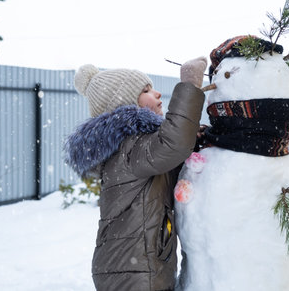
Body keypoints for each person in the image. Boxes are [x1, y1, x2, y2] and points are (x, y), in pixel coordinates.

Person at [64, 57, 207, 291]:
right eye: (146, 90)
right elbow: (174, 145)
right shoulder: (130, 148)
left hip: (130, 268)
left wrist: (194, 137)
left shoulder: (135, 148)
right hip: (132, 273)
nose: (158, 93)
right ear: (126, 104)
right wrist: (189, 86)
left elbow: (171, 157)